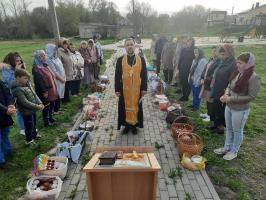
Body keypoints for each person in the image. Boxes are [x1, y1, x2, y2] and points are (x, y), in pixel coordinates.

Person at [214, 52, 260, 160]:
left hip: (240, 110)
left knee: (237, 130)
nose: (237, 65)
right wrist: (225, 95)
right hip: (229, 106)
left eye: (240, 63)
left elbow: (251, 96)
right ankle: (227, 147)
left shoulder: (254, 77)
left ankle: (234, 151)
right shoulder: (238, 73)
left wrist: (231, 98)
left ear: (248, 64)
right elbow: (229, 86)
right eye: (237, 62)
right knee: (229, 128)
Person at [115, 38, 148, 134]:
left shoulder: (141, 59)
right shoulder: (120, 60)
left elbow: (144, 75)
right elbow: (117, 76)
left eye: (131, 44)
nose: (130, 47)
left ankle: (134, 125)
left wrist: (144, 88)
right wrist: (117, 89)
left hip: (137, 90)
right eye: (128, 45)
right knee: (124, 107)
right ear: (125, 47)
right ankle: (126, 125)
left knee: (136, 107)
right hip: (124, 89)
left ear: (135, 46)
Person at [11, 69, 44, 146]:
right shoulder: (16, 89)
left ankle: (34, 135)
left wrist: (40, 103)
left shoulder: (27, 84)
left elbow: (34, 94)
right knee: (29, 126)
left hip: (33, 109)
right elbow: (24, 102)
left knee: (34, 123)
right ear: (18, 78)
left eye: (27, 78)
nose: (27, 79)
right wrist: (37, 106)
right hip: (26, 111)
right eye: (25, 78)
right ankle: (29, 140)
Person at [209, 44, 236, 134]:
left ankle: (220, 128)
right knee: (216, 108)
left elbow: (232, 80)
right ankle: (216, 124)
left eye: (224, 54)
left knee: (222, 110)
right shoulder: (222, 62)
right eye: (221, 54)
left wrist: (227, 92)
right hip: (217, 89)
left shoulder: (233, 64)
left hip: (224, 91)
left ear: (230, 53)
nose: (222, 56)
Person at [1, 53, 26, 135]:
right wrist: (16, 71)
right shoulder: (6, 70)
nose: (19, 62)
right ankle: (22, 129)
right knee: (19, 110)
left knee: (25, 108)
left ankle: (27, 126)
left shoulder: (17, 67)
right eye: (17, 61)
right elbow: (10, 82)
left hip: (21, 91)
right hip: (12, 94)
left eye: (20, 60)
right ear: (12, 61)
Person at [32, 50, 58, 127]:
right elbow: (39, 81)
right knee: (46, 106)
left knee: (52, 104)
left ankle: (50, 117)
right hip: (44, 91)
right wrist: (44, 91)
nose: (44, 57)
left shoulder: (44, 65)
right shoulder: (36, 68)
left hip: (51, 89)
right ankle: (46, 122)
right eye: (41, 56)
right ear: (37, 57)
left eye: (44, 55)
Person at [199, 46, 221, 122]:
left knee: (210, 100)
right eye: (212, 51)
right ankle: (208, 113)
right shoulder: (211, 59)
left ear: (219, 53)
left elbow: (213, 75)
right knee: (207, 99)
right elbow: (205, 69)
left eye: (215, 51)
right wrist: (202, 77)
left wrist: (205, 80)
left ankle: (211, 116)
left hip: (210, 84)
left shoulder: (219, 62)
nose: (213, 53)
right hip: (206, 82)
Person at [45, 43, 66, 114]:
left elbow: (62, 68)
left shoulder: (56, 58)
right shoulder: (48, 59)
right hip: (56, 80)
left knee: (59, 94)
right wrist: (61, 79)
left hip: (62, 78)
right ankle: (55, 110)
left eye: (56, 50)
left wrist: (64, 76)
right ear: (50, 50)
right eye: (54, 50)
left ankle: (58, 108)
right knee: (56, 94)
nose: (55, 51)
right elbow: (54, 71)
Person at [0, 80, 16, 169]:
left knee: (5, 133)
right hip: (4, 111)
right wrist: (5, 110)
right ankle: (1, 161)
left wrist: (10, 104)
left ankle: (7, 151)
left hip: (4, 115)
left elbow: (7, 92)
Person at [178, 37, 195, 101]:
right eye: (188, 42)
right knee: (182, 81)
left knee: (187, 83)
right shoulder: (184, 50)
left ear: (193, 43)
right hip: (182, 68)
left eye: (191, 42)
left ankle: (186, 96)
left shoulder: (193, 50)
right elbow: (180, 58)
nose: (189, 43)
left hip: (189, 69)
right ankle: (184, 93)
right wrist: (179, 67)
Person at [58, 38, 75, 102]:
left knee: (68, 86)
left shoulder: (67, 51)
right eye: (64, 44)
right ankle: (65, 100)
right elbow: (59, 63)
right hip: (64, 71)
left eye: (66, 44)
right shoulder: (59, 51)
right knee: (65, 86)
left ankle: (68, 98)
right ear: (61, 45)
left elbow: (71, 59)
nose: (66, 46)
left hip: (69, 70)